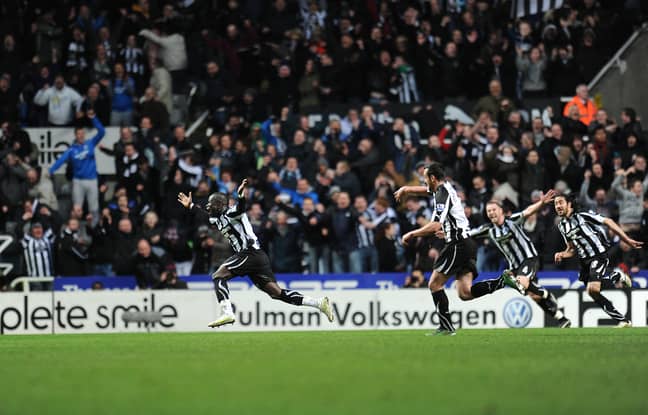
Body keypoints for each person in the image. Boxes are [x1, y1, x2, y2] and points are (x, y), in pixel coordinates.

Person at [177, 179, 334, 328]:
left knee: (218, 276)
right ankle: (319, 303)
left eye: (212, 204)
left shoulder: (232, 213)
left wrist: (240, 196)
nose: (209, 207)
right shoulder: (217, 219)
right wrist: (190, 205)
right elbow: (204, 215)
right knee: (276, 293)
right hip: (257, 257)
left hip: (249, 253)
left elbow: (240, 208)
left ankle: (227, 312)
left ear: (220, 205)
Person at [395, 162, 513, 336]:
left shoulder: (442, 193)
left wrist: (411, 234)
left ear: (432, 178)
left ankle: (446, 327)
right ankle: (502, 282)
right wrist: (406, 189)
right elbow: (426, 190)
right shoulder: (444, 187)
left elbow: (435, 225)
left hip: (458, 244)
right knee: (465, 293)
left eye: (425, 178)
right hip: (467, 243)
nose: (424, 182)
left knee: (434, 284)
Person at [469, 197, 572, 328]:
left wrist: (541, 202)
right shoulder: (488, 230)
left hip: (529, 259)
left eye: (494, 209)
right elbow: (468, 234)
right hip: (515, 266)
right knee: (533, 295)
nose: (491, 213)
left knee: (521, 282)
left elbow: (528, 211)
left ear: (501, 211)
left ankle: (546, 294)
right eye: (488, 211)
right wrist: (449, 234)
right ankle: (561, 318)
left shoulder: (513, 221)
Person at [553, 194, 641, 327]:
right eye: (555, 204)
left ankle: (616, 275)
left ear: (569, 204)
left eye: (560, 202)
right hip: (584, 261)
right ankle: (623, 320)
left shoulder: (583, 215)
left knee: (594, 287)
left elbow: (608, 221)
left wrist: (626, 239)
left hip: (598, 255)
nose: (558, 206)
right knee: (592, 291)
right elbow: (571, 249)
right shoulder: (562, 226)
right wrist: (562, 254)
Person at [48, 111, 104, 225]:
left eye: (83, 133)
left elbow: (102, 132)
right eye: (79, 133)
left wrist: (94, 118)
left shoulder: (90, 143)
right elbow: (60, 160)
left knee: (94, 207)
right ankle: (75, 230)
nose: (81, 135)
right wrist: (50, 171)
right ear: (75, 135)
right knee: (77, 208)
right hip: (78, 181)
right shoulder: (71, 150)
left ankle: (94, 229)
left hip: (92, 180)